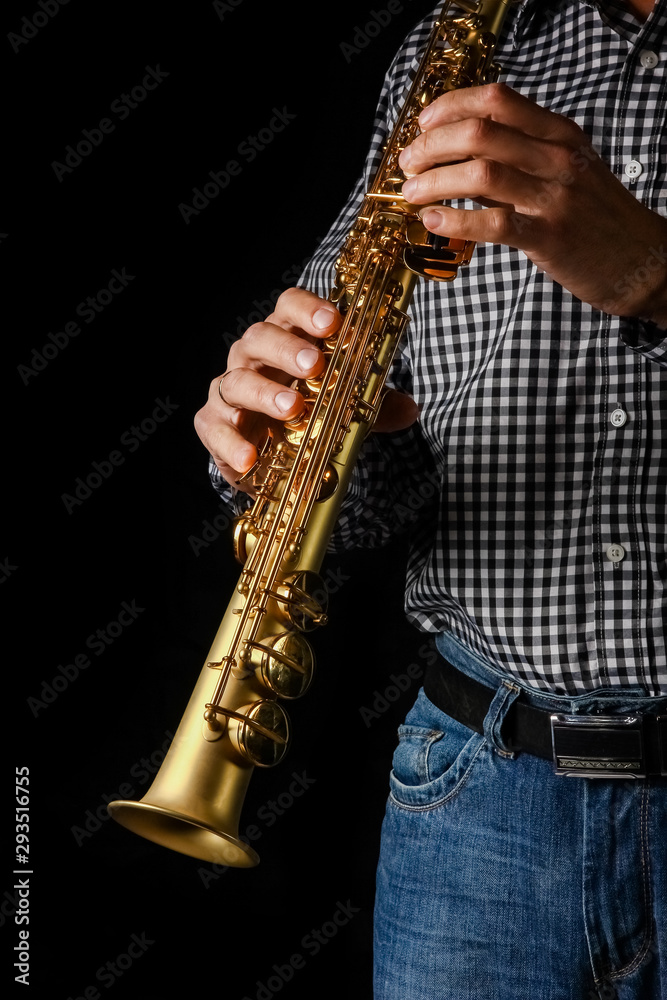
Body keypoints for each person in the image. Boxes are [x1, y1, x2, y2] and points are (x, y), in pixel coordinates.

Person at [194, 1, 667, 997]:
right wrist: (281, 438)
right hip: (477, 811)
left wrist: (656, 279)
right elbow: (382, 488)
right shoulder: (457, 49)